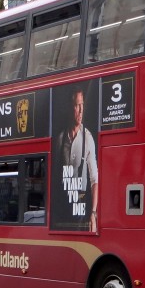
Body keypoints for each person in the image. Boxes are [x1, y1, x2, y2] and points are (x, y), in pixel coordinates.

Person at [60, 87, 98, 231]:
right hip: (62, 211)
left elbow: (95, 179)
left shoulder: (88, 138)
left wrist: (93, 213)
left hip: (81, 212)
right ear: (71, 108)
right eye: (77, 105)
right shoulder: (60, 139)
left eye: (82, 105)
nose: (81, 111)